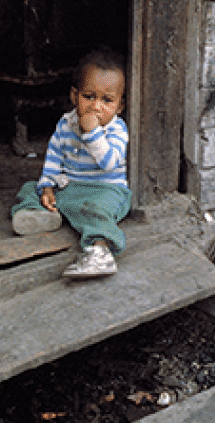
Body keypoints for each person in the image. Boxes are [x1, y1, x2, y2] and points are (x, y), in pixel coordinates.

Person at [11, 48, 131, 278]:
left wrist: (93, 132)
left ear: (119, 106)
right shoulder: (65, 124)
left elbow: (109, 163)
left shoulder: (117, 129)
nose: (96, 106)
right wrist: (47, 186)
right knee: (30, 188)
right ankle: (43, 214)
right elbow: (54, 158)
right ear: (74, 96)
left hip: (104, 191)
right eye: (89, 97)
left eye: (107, 100)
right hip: (70, 187)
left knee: (97, 211)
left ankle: (101, 253)